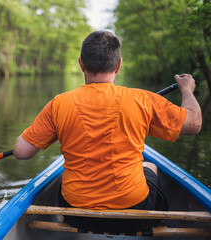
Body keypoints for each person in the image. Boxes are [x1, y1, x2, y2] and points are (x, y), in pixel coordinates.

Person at [12, 30, 202, 233]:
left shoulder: (59, 103)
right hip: (135, 212)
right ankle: (156, 228)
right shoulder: (142, 100)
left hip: (76, 213)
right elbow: (193, 124)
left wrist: (54, 129)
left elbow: (21, 152)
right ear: (118, 65)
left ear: (81, 63)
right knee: (150, 166)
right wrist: (186, 90)